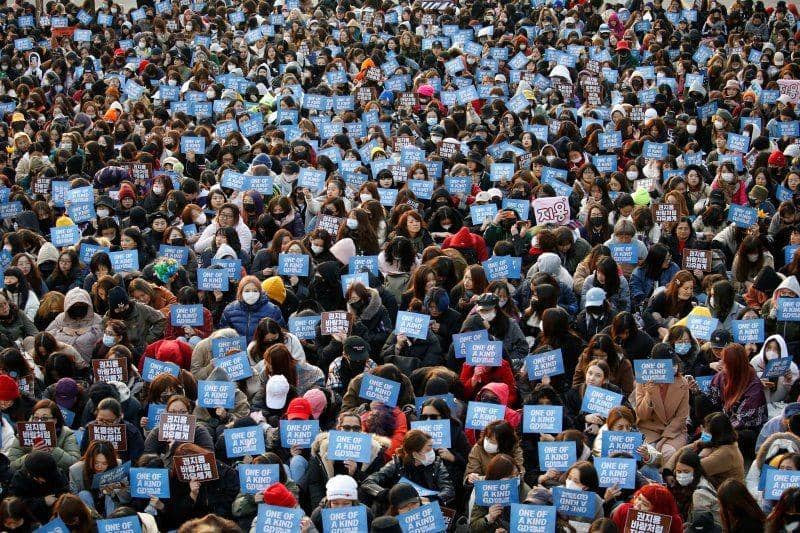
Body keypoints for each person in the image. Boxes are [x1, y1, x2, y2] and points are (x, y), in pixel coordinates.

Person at [360, 429, 455, 508]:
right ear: (415, 453)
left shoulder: (437, 463)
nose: (433, 452)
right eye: (428, 449)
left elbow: (448, 490)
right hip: (400, 511)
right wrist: (390, 495)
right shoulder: (396, 463)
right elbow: (368, 483)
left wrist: (432, 499)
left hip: (428, 510)